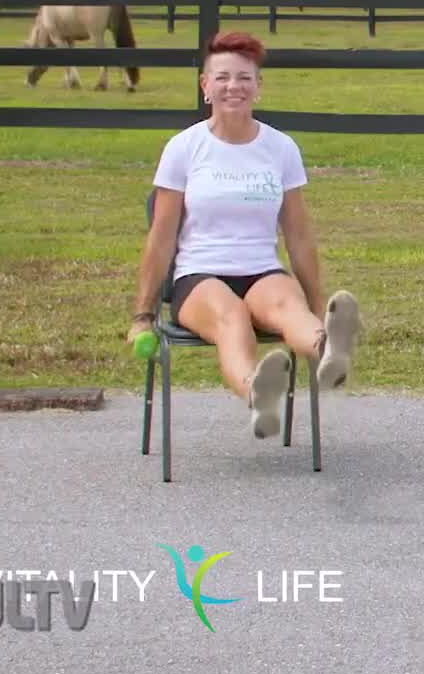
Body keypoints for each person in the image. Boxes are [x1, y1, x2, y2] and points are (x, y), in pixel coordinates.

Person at [129, 31, 362, 439]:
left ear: (258, 86)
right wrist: (143, 315)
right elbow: (161, 238)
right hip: (199, 275)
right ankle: (259, 393)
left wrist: (317, 300)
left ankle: (329, 352)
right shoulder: (185, 148)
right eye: (221, 77)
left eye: (243, 77)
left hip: (261, 269)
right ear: (205, 85)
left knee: (290, 309)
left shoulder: (280, 148)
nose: (232, 86)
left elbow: (299, 235)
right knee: (231, 319)